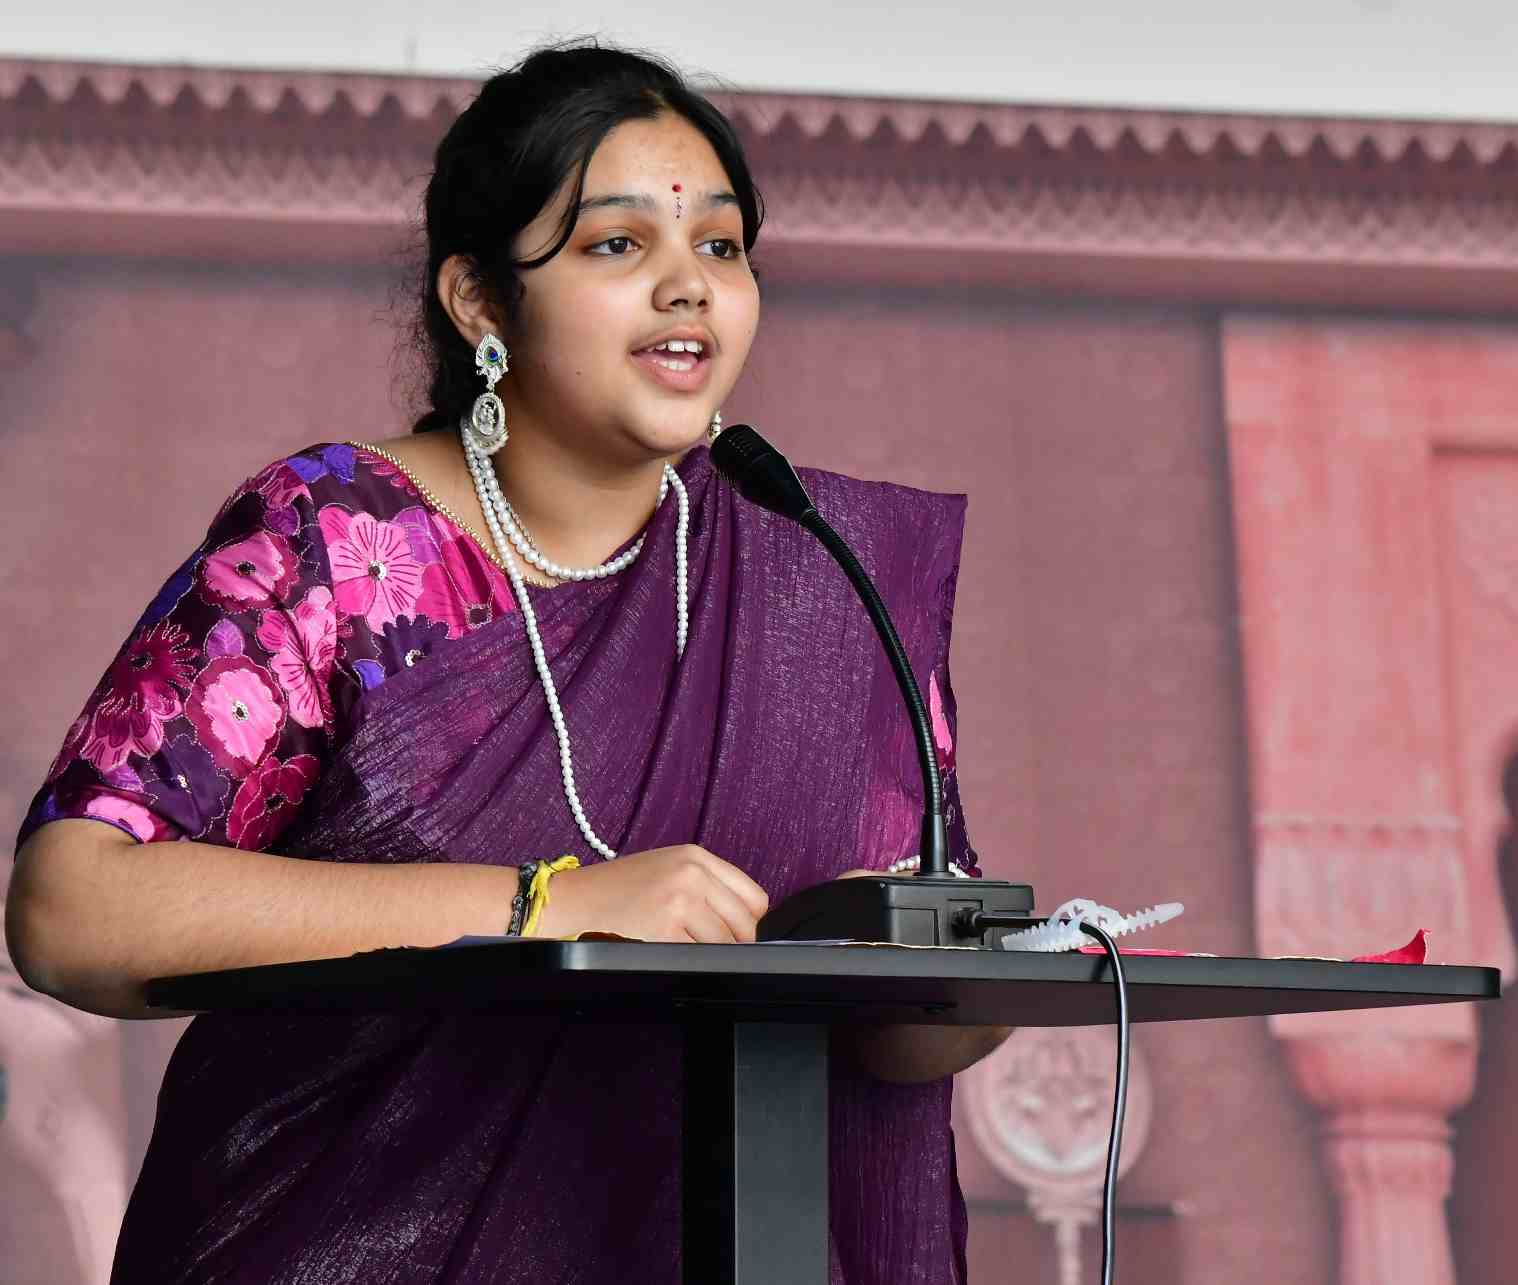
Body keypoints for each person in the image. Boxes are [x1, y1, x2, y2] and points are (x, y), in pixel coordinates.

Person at [5, 40, 1007, 1284]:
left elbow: (913, 1028)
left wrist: (949, 982)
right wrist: (543, 906)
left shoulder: (824, 571)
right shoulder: (342, 541)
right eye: (618, 244)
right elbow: (74, 908)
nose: (689, 287)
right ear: (479, 300)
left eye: (722, 245)